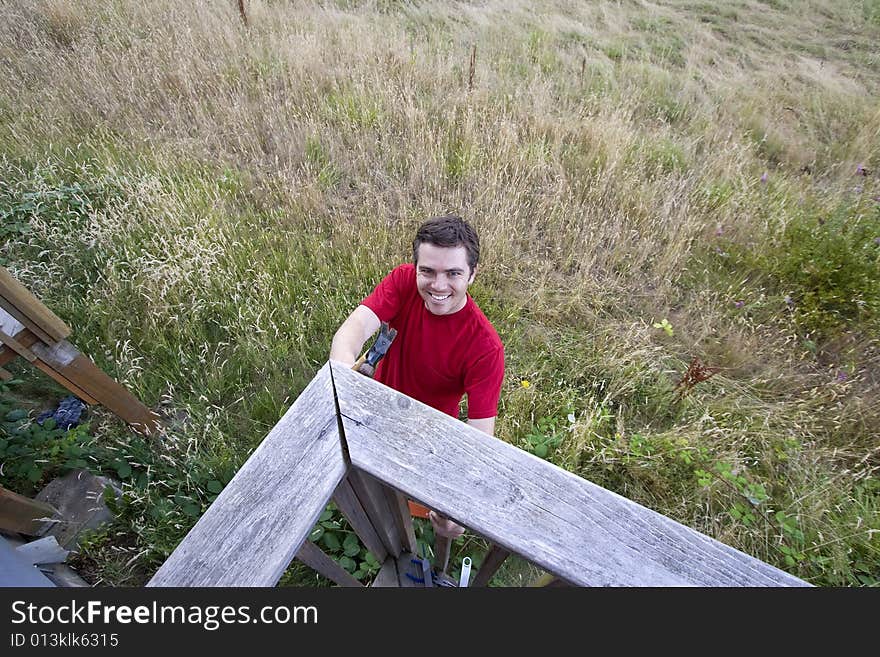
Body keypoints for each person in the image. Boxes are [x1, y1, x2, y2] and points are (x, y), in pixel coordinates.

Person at [330, 214, 504, 539]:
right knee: (374, 496)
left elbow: (480, 439)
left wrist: (459, 508)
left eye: (453, 273)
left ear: (473, 274)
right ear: (416, 268)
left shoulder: (485, 347)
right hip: (373, 413)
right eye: (428, 271)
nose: (438, 286)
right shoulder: (402, 281)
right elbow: (351, 332)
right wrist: (342, 380)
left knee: (410, 510)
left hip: (427, 440)